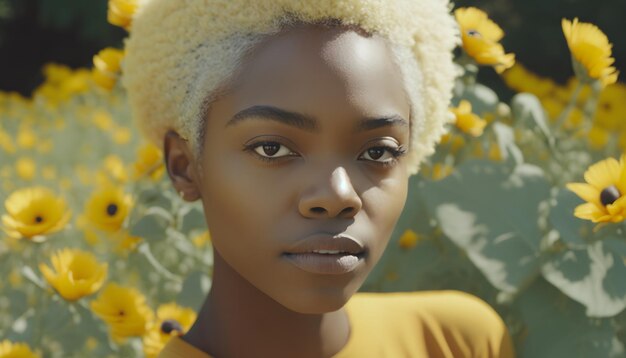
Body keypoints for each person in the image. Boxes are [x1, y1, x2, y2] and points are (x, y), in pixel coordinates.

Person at [122, 0, 516, 357]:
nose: (338, 195)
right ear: (185, 167)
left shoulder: (456, 342)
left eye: (377, 152)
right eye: (271, 149)